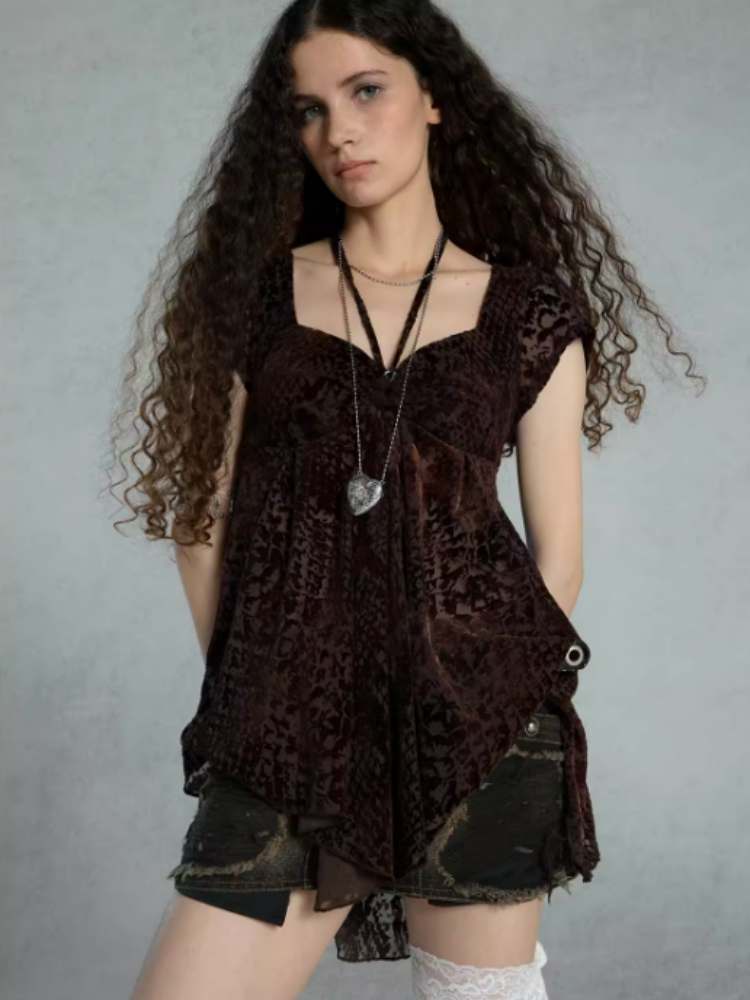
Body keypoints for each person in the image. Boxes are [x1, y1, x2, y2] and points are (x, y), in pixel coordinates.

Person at [103, 2, 705, 998]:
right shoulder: (255, 299)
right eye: (309, 109)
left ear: (433, 97)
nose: (338, 131)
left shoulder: (528, 313)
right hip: (291, 732)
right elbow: (198, 524)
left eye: (366, 91)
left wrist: (484, 698)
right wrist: (263, 695)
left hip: (479, 727)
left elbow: (559, 559)